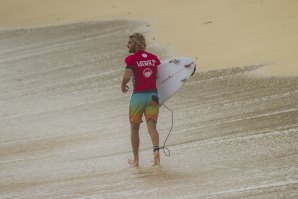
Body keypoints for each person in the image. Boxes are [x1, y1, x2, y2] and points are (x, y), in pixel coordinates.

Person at [121, 33, 161, 167]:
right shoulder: (154, 58)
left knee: (134, 128)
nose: (127, 45)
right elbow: (159, 76)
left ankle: (136, 160)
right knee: (152, 127)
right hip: (153, 97)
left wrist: (122, 84)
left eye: (130, 43)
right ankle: (156, 151)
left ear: (136, 44)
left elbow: (127, 76)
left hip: (138, 97)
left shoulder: (131, 59)